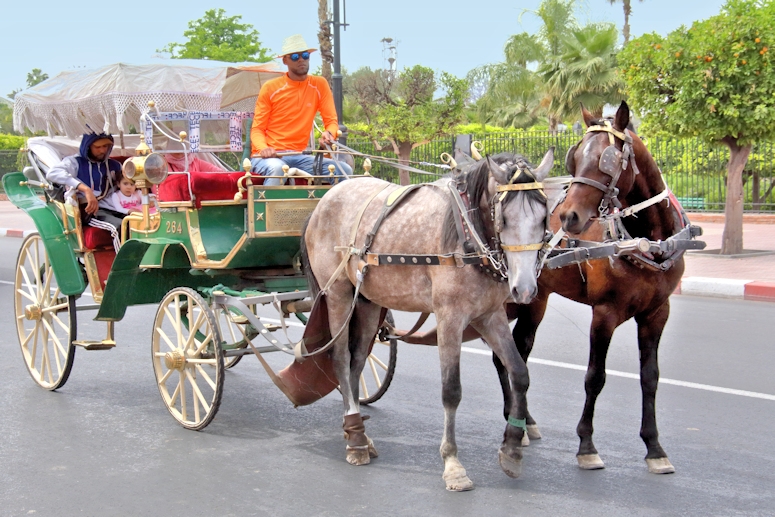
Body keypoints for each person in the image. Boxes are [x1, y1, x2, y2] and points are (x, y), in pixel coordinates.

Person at [250, 34, 352, 186]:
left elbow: (331, 121)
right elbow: (257, 129)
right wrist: (264, 149)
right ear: (285, 60)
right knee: (278, 169)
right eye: (295, 56)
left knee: (344, 170)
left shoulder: (319, 84)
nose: (301, 60)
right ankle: (265, 210)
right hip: (268, 158)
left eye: (305, 55)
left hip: (299, 156)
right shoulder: (270, 88)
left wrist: (329, 134)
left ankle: (330, 210)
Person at [46, 131, 123, 253]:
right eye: (98, 147)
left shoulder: (115, 166)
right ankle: (123, 265)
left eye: (106, 146)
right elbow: (53, 174)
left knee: (137, 222)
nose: (102, 150)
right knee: (119, 227)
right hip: (90, 211)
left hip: (115, 207)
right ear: (87, 147)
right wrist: (85, 189)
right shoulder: (74, 162)